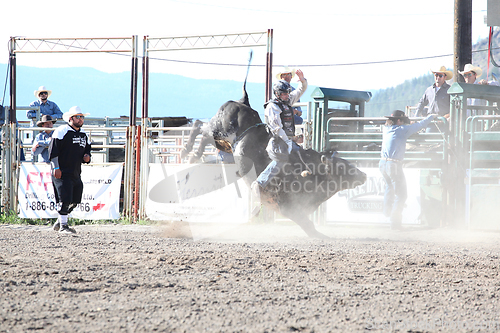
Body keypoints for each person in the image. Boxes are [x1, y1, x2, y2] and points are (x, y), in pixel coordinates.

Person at [251, 69, 307, 207]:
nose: (286, 95)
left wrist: (302, 80)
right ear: (277, 94)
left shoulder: (287, 100)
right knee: (281, 159)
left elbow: (301, 90)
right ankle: (259, 183)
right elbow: (277, 128)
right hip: (276, 141)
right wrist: (287, 141)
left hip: (287, 140)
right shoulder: (272, 106)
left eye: (287, 93)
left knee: (301, 155)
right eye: (283, 93)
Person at [379, 110, 438, 230]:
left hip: (382, 163)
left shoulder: (386, 129)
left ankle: (386, 212)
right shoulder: (401, 130)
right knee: (401, 195)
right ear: (399, 121)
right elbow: (419, 125)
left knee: (389, 187)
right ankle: (395, 223)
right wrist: (431, 117)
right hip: (393, 164)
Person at [49, 106, 91, 234]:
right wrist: (56, 167)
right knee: (64, 198)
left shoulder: (83, 134)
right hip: (62, 170)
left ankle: (60, 221)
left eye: (82, 117)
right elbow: (54, 150)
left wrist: (87, 157)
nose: (80, 119)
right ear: (70, 118)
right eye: (78, 117)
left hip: (75, 171)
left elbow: (87, 150)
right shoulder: (62, 131)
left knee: (75, 200)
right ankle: (63, 226)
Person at [415, 66, 453, 132]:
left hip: (444, 122)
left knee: (443, 139)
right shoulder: (429, 90)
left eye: (440, 76)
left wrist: (446, 117)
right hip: (431, 121)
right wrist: (416, 116)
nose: (438, 77)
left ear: (445, 77)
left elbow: (454, 107)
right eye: (436, 75)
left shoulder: (450, 90)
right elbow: (421, 103)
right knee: (429, 137)